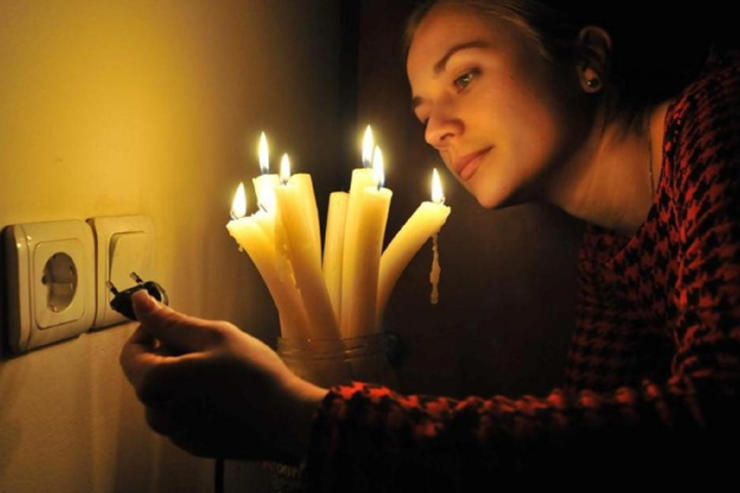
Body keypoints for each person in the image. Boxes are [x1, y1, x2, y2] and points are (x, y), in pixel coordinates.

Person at [120, 0, 740, 490]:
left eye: (465, 76)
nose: (437, 131)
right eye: (422, 115)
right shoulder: (609, 256)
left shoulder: (717, 120)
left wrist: (303, 417)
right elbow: (581, 446)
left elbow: (710, 419)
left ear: (587, 59)